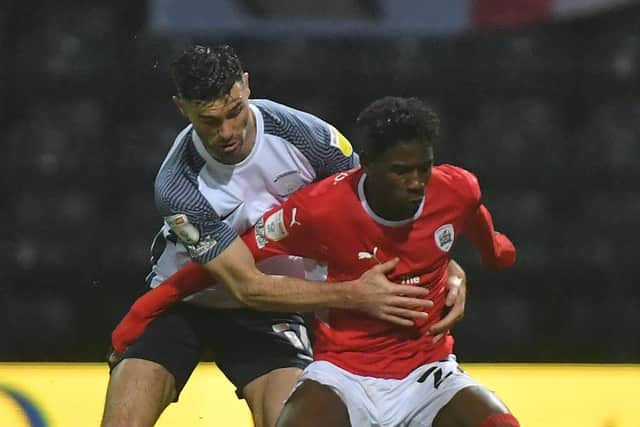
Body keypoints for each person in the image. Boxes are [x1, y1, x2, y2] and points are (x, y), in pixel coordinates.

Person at [101, 45, 468, 427]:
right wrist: (354, 295)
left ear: (246, 86)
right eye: (209, 121)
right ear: (182, 108)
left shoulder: (309, 139)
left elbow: (379, 211)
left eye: (234, 113)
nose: (227, 132)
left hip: (273, 310)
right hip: (184, 304)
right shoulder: (177, 185)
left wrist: (448, 267)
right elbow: (246, 285)